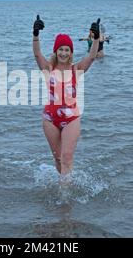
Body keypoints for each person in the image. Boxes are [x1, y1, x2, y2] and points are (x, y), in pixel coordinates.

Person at [32, 15, 100, 179]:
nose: (63, 52)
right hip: (50, 118)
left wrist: (96, 38)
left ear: (71, 53)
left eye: (67, 50)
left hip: (71, 118)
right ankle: (62, 181)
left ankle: (64, 195)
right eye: (60, 49)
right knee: (57, 158)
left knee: (67, 157)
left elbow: (91, 56)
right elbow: (37, 54)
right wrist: (35, 35)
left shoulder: (77, 69)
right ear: (56, 51)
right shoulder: (48, 68)